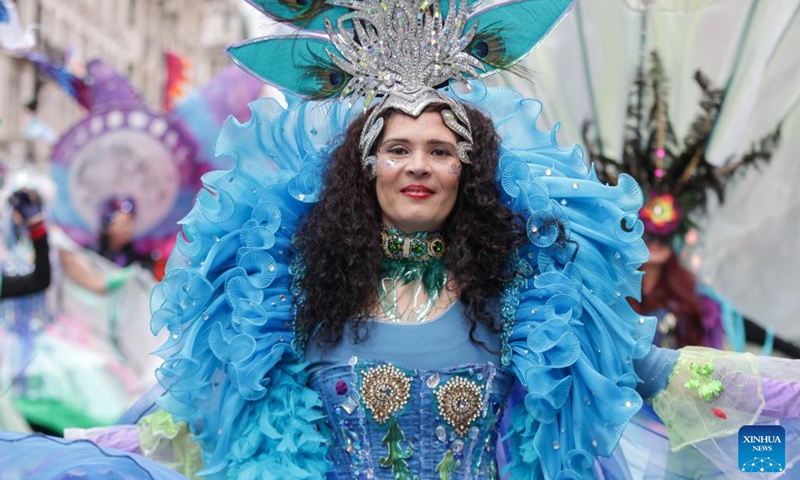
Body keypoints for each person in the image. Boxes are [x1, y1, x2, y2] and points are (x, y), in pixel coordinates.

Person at [2, 1, 799, 479]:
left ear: (469, 171)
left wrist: (785, 405)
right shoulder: (289, 296)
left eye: (441, 150)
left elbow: (655, 380)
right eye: (398, 148)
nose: (418, 165)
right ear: (365, 168)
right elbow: (188, 425)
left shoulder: (531, 296)